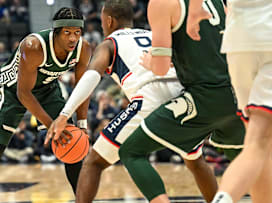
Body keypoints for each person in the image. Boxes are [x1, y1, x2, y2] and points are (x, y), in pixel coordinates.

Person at [45, 1, 229, 202]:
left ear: (108, 21)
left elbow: (91, 77)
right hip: (183, 94)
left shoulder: (109, 43)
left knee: (94, 162)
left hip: (150, 96)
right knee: (194, 159)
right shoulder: (152, 33)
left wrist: (65, 115)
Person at [113, 0, 245, 202]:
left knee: (131, 152)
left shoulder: (161, 4)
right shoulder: (217, 1)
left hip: (203, 98)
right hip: (236, 96)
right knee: (252, 164)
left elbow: (161, 68)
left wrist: (150, 61)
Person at [0, 7, 91, 203]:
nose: (73, 38)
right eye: (67, 32)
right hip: (14, 89)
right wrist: (51, 125)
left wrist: (82, 124)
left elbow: (82, 87)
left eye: (77, 33)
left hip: (47, 88)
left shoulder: (84, 48)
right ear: (56, 32)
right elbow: (23, 93)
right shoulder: (34, 46)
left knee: (69, 138)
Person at [186, 0, 272, 202]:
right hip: (268, 33)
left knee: (258, 143)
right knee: (259, 143)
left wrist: (194, 12)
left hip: (238, 39)